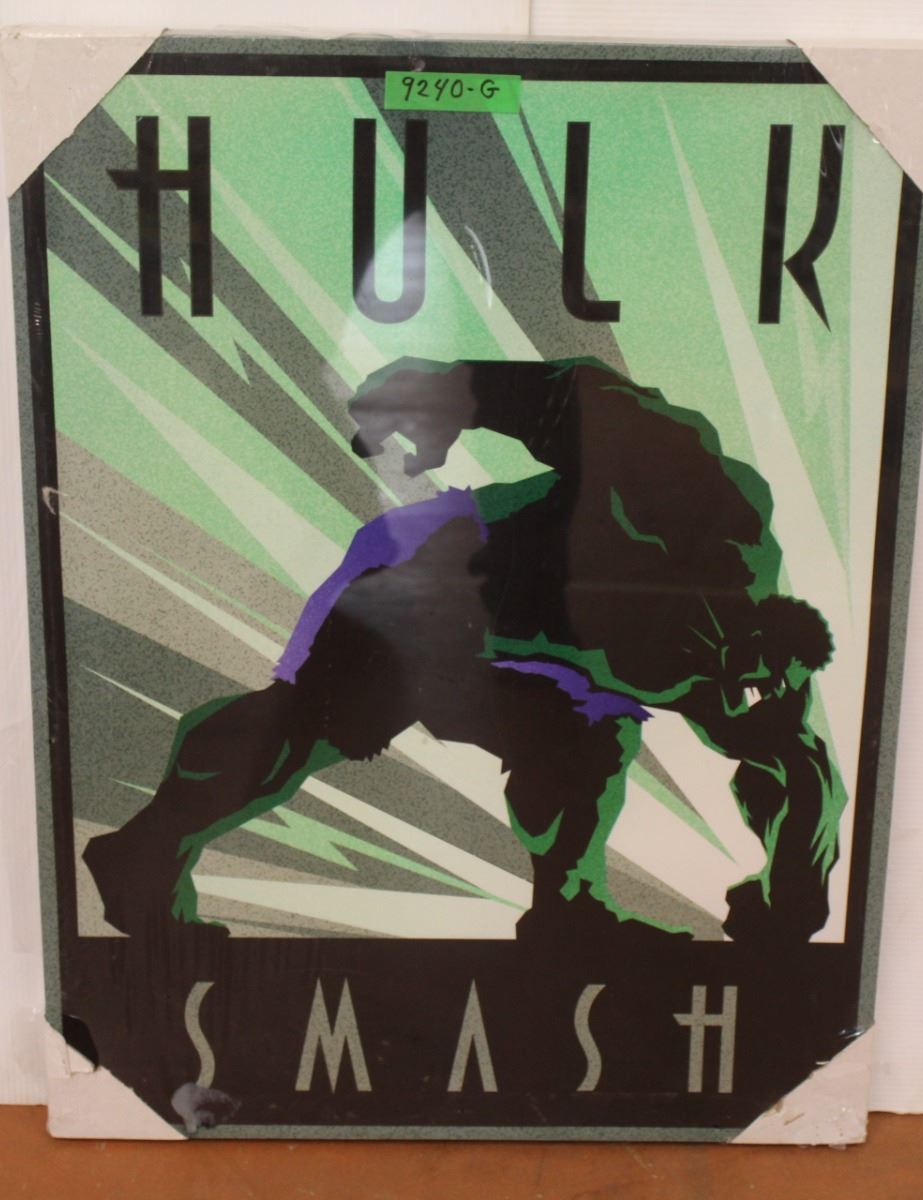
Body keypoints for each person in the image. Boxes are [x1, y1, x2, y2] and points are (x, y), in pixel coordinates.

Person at [83, 358, 841, 944]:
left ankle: (569, 906)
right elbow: (597, 406)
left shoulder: (753, 686)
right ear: (718, 610)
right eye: (715, 666)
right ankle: (145, 853)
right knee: (307, 730)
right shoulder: (708, 509)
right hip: (428, 574)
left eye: (738, 691)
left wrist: (790, 899)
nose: (717, 697)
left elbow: (801, 779)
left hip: (526, 653)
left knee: (594, 730)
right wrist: (445, 393)